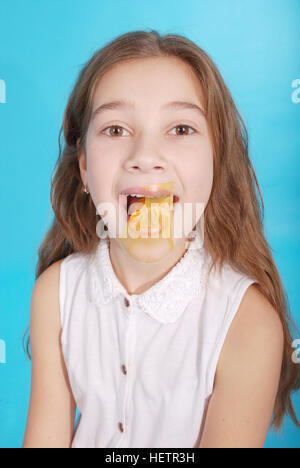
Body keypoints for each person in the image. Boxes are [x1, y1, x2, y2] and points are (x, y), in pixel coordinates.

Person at [22, 30, 300, 448]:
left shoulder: (248, 323)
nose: (145, 156)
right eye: (115, 130)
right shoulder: (55, 295)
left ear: (216, 158)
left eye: (181, 128)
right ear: (82, 166)